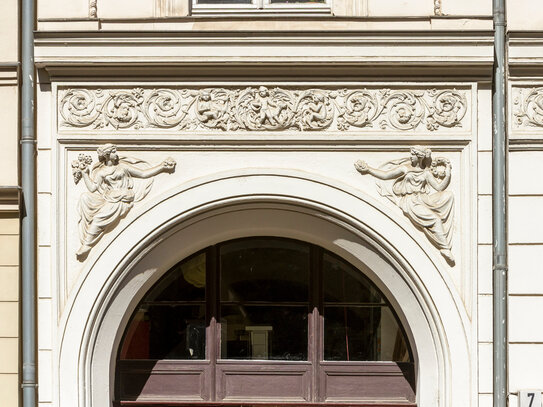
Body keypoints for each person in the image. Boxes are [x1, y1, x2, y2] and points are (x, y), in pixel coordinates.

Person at [355, 146, 455, 265]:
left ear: (419, 157)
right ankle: (445, 248)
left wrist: (447, 172)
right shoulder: (405, 168)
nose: (410, 157)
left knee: (448, 195)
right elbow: (386, 175)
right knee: (436, 219)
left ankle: (444, 247)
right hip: (411, 201)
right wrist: (368, 169)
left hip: (423, 199)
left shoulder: (426, 173)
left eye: (413, 155)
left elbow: (439, 188)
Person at [74, 144, 176, 260]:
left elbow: (143, 173)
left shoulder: (122, 167)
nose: (115, 154)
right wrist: (84, 173)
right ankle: (87, 244)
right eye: (113, 152)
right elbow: (92, 188)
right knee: (86, 198)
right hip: (110, 198)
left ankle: (87, 244)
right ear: (107, 155)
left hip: (122, 198)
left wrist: (161, 167)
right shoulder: (101, 172)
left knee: (99, 218)